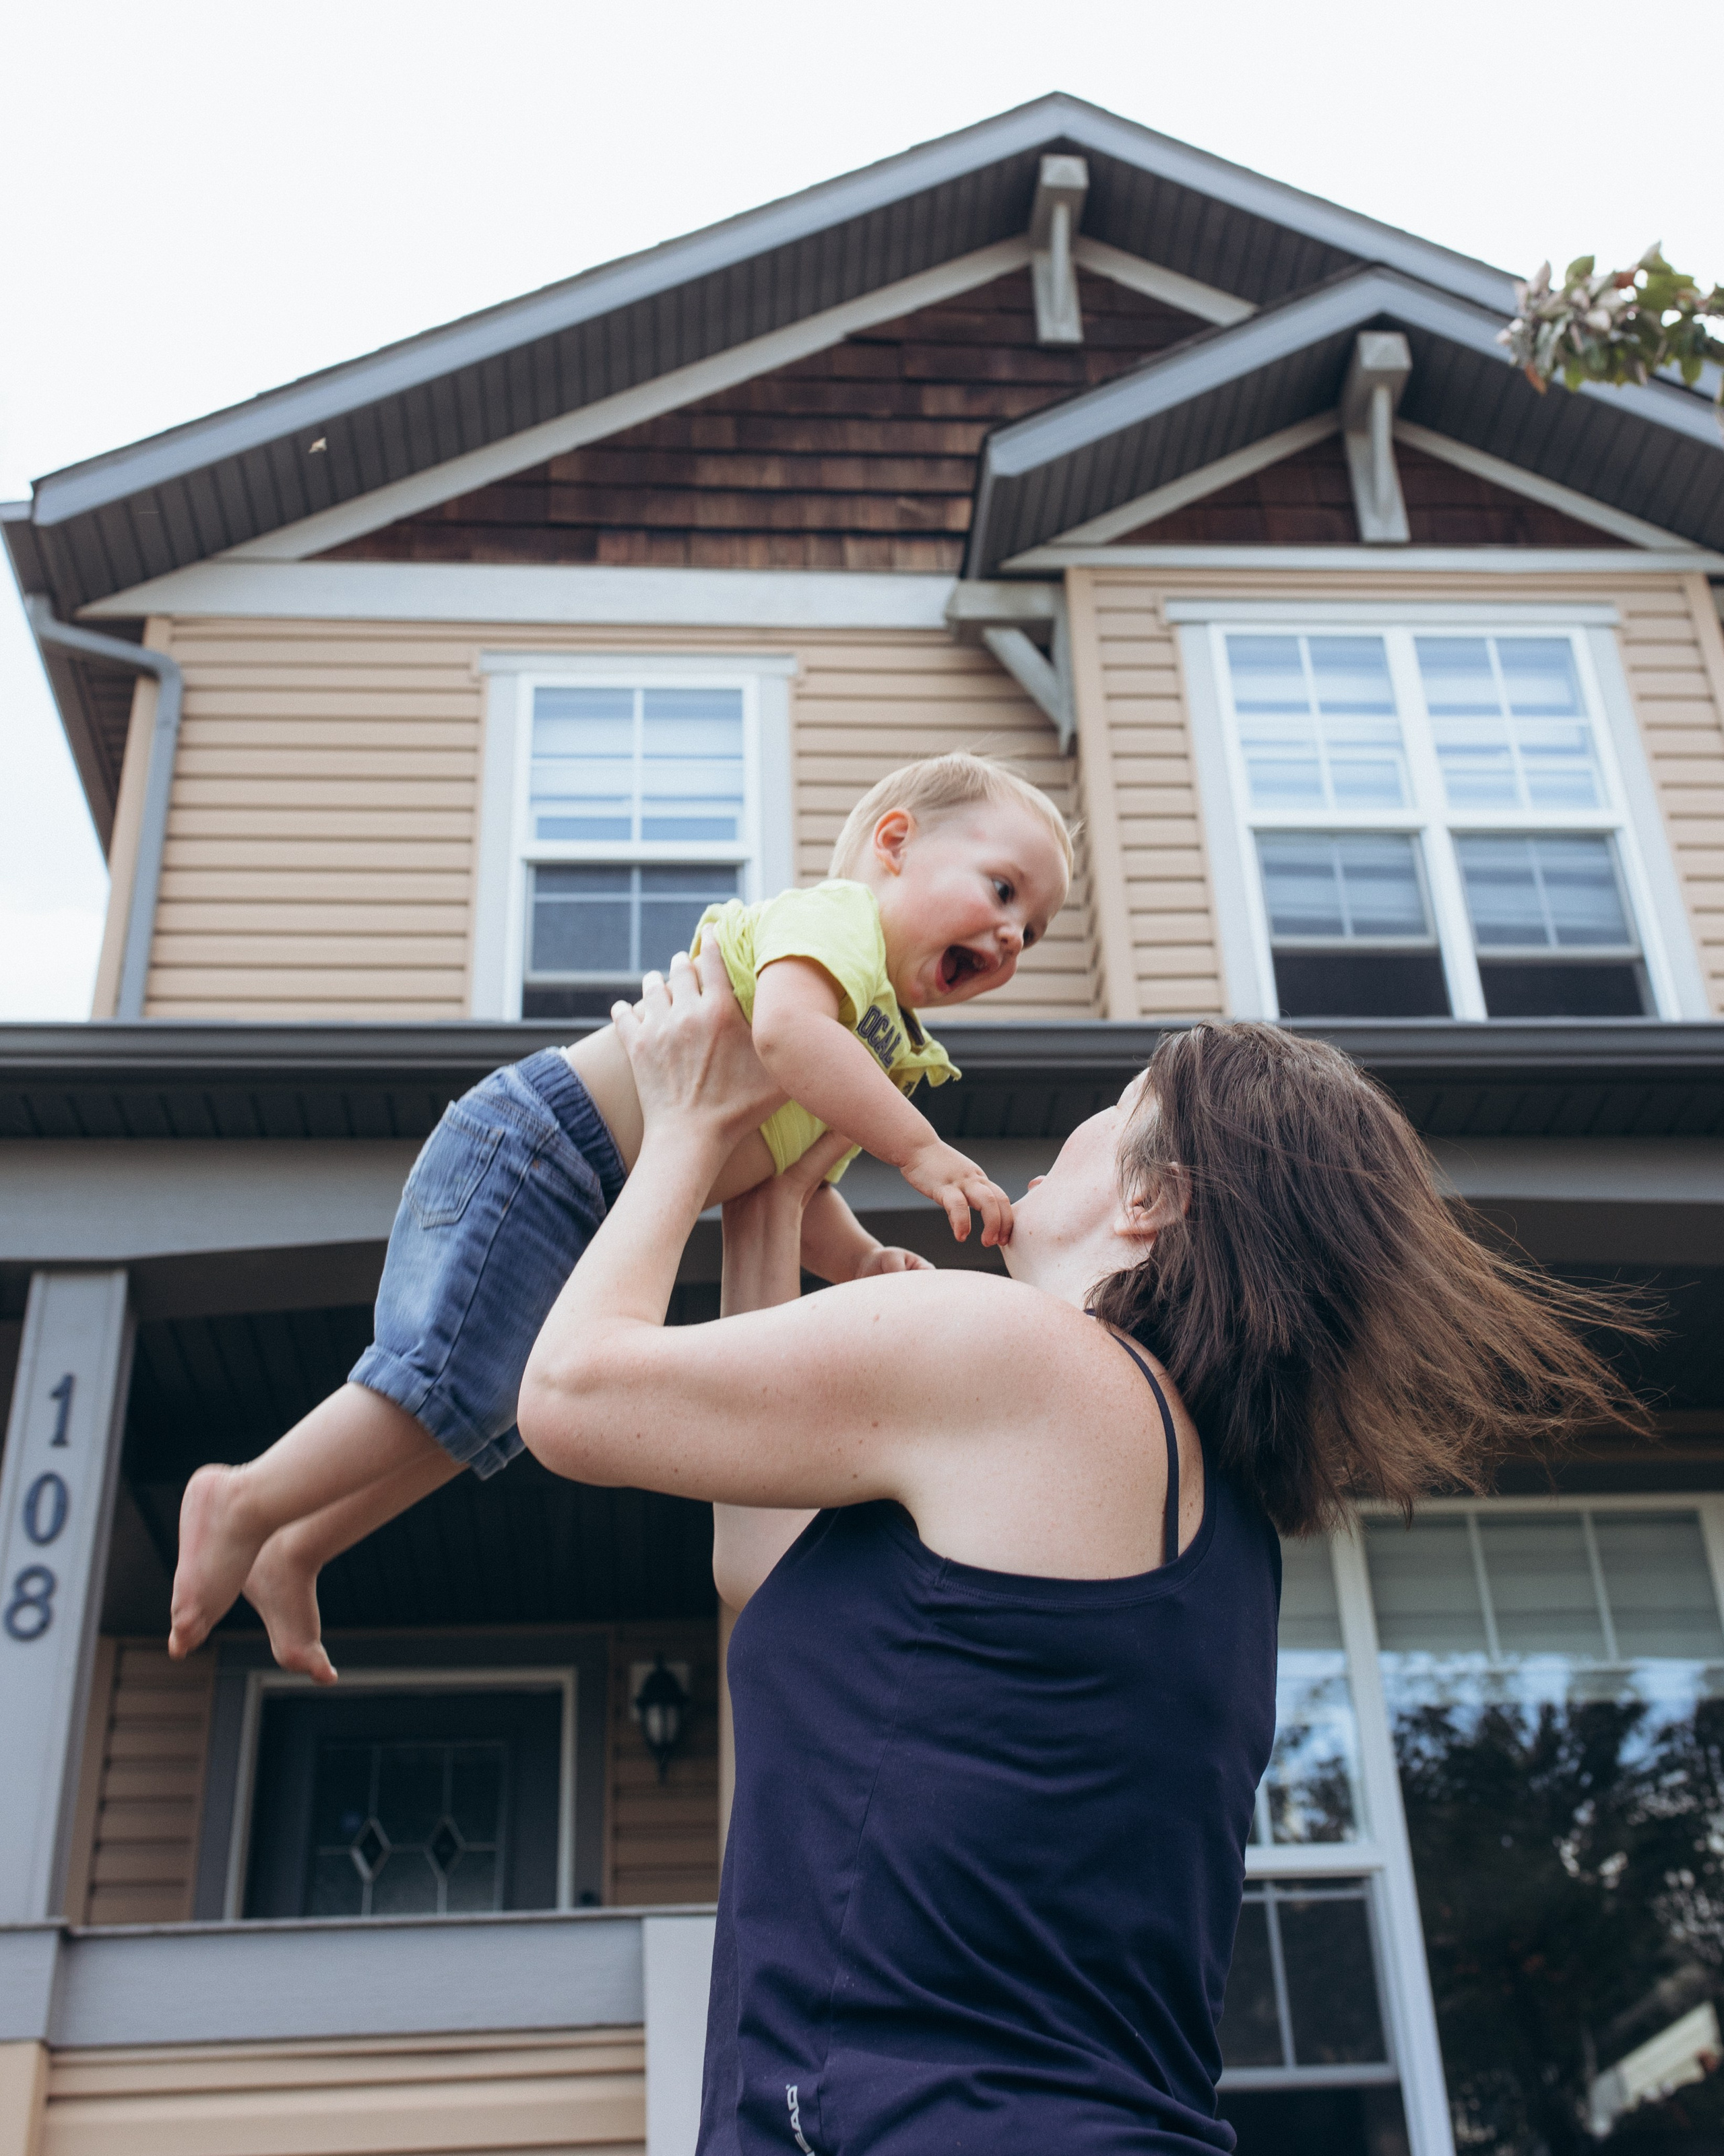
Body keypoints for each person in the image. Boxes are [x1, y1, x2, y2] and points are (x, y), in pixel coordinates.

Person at [515, 943, 1644, 2156]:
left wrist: (686, 1126)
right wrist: (771, 1198)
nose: (1078, 1122)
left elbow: (573, 1396)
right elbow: (761, 1567)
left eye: (1117, 1106)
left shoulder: (1022, 1358)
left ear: (1152, 1195)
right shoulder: (1196, 1503)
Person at [166, 753, 1073, 1683]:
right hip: (541, 1144)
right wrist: (924, 1151)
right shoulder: (832, 922)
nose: (1010, 937)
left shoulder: (883, 1042)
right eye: (1002, 890)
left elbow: (794, 1187)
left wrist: (861, 1260)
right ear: (894, 845)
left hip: (596, 1194)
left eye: (1033, 932)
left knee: (487, 1409)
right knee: (444, 1371)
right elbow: (784, 1035)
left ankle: (300, 1544)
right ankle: (241, 1499)